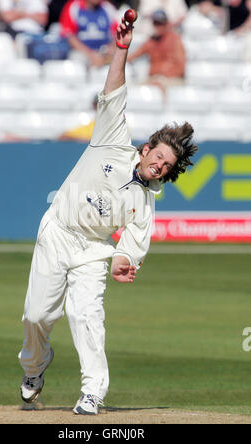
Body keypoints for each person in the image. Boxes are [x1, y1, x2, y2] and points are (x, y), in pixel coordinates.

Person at [18, 14, 198, 415]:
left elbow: (130, 248)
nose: (160, 167)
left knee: (86, 316)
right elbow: (113, 91)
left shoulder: (145, 201)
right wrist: (121, 49)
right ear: (149, 147)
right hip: (58, 230)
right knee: (37, 315)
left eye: (168, 167)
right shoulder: (112, 140)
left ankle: (93, 392)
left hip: (92, 251)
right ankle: (34, 369)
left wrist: (122, 261)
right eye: (160, 158)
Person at [127, 9, 186, 97]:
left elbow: (181, 68)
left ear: (166, 24)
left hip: (171, 80)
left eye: (160, 23)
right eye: (155, 23)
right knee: (132, 90)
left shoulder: (175, 40)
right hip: (153, 80)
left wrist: (162, 77)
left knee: (159, 87)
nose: (158, 26)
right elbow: (131, 56)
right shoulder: (151, 41)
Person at [59, 0, 118, 67]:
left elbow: (117, 35)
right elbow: (69, 37)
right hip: (82, 53)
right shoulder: (74, 7)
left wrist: (108, 51)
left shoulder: (108, 7)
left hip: (104, 52)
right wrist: (91, 55)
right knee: (76, 60)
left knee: (119, 59)